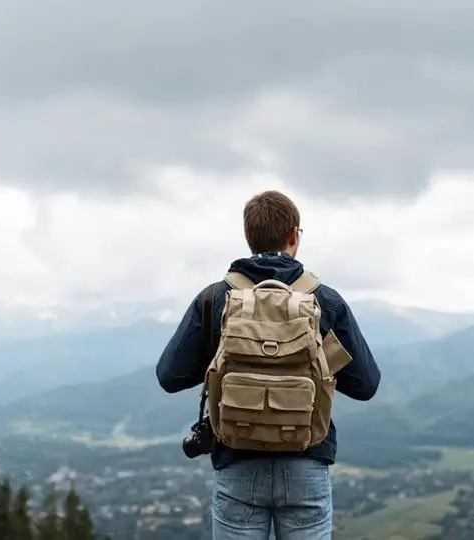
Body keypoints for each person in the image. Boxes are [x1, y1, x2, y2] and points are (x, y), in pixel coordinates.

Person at [156, 190, 381, 539]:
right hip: (307, 462)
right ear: (294, 235)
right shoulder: (323, 299)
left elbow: (168, 376)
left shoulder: (215, 299)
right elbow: (366, 385)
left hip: (237, 463)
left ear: (249, 238)